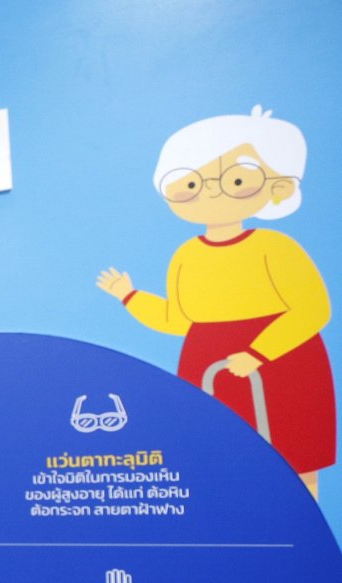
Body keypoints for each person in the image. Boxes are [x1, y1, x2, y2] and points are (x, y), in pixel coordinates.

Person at [98, 106, 333, 497]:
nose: (210, 191)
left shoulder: (275, 247)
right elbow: (178, 319)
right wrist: (130, 296)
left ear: (277, 185)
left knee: (297, 461)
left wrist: (259, 353)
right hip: (207, 362)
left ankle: (307, 549)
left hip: (283, 361)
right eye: (191, 184)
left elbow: (312, 309)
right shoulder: (187, 255)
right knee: (222, 466)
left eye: (237, 179)